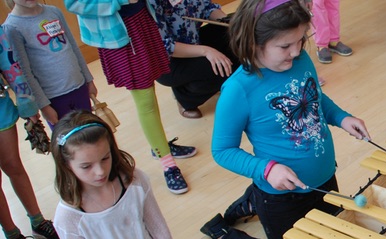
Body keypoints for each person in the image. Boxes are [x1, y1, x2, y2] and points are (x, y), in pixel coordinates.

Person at [199, 0, 371, 239]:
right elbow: (222, 150)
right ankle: (227, 236)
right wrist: (267, 171)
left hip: (323, 178)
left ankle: (249, 202)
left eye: (301, 41)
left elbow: (314, 99)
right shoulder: (237, 90)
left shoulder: (300, 60)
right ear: (254, 42)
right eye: (284, 46)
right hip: (279, 195)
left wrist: (341, 117)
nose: (296, 51)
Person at [51, 111, 198, 239]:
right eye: (86, 166)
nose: (100, 172)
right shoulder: (67, 216)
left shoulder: (135, 180)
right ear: (66, 165)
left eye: (105, 158)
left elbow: (159, 231)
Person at [64, 0, 198, 194]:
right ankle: (168, 164)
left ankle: (159, 144)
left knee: (150, 92)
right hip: (121, 32)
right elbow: (76, 4)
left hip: (143, 20)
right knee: (146, 100)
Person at [0, 25, 63, 239]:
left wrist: (27, 107)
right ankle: (12, 235)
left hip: (1, 107)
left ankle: (37, 221)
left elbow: (9, 63)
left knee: (14, 166)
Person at [3, 0, 97, 129]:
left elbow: (73, 47)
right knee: (68, 140)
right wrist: (44, 105)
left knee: (91, 130)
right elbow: (24, 71)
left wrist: (89, 79)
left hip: (79, 87)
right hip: (54, 98)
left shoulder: (54, 11)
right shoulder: (11, 27)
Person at [152, 0, 239, 119]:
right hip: (167, 61)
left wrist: (230, 22)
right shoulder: (151, 3)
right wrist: (207, 51)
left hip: (193, 41)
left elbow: (207, 7)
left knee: (239, 38)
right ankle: (184, 98)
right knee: (220, 68)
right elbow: (164, 46)